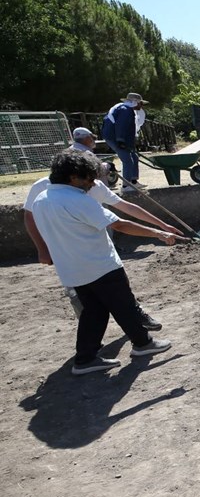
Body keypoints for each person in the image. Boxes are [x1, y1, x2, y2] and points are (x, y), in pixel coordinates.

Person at [30, 150, 187, 375]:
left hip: (72, 270)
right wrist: (158, 234)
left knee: (94, 312)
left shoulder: (41, 199)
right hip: (99, 265)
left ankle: (85, 358)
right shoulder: (77, 200)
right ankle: (144, 344)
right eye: (89, 178)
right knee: (125, 306)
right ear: (74, 177)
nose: (92, 184)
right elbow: (120, 224)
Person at [102, 92, 148, 191]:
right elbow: (121, 126)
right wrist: (120, 140)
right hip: (114, 137)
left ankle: (133, 181)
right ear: (135, 102)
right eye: (141, 103)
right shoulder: (125, 110)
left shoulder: (124, 108)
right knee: (127, 160)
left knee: (134, 157)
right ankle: (126, 186)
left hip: (117, 137)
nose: (142, 106)